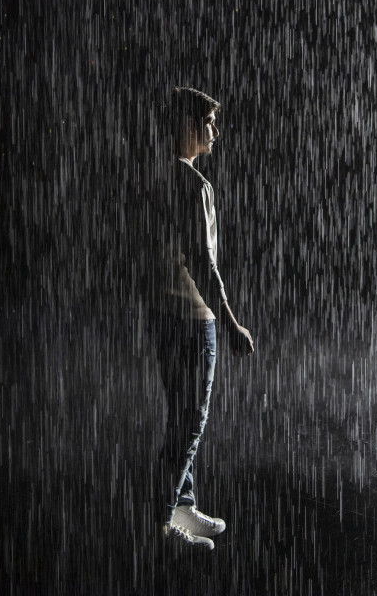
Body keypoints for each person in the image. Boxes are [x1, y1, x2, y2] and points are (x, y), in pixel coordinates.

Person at [144, 86, 254, 549]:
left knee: (180, 417)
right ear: (189, 125)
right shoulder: (193, 185)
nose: (215, 132)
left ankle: (181, 507)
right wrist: (231, 324)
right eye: (208, 122)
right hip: (192, 319)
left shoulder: (152, 176)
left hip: (164, 315)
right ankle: (160, 526)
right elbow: (204, 266)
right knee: (191, 421)